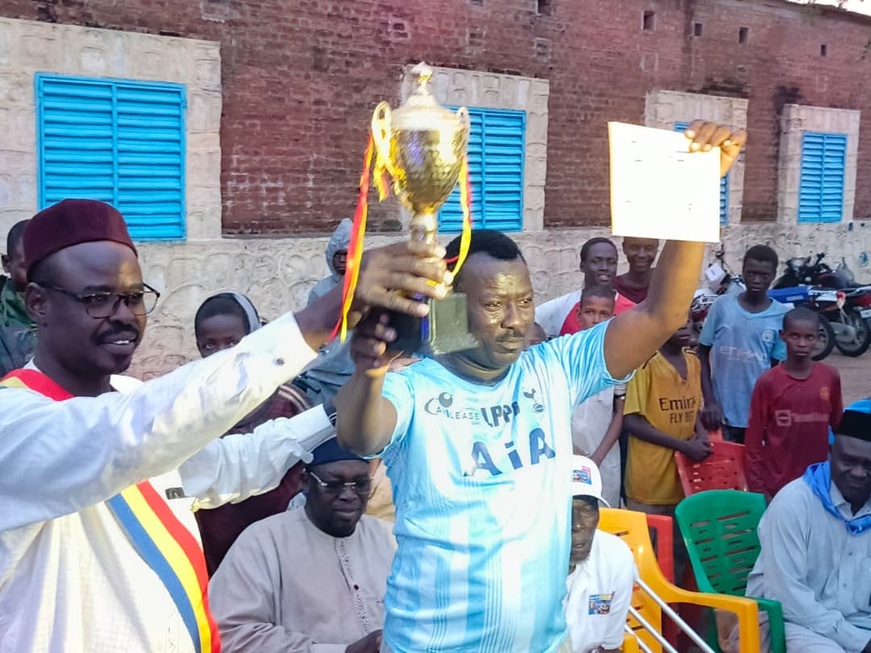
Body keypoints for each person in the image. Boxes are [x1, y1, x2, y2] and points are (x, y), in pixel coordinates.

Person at [334, 115, 744, 653]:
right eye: (495, 305)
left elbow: (662, 313)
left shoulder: (552, 369)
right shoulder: (416, 388)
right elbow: (361, 435)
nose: (514, 320)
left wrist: (695, 192)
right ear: (453, 305)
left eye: (523, 302)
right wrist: (369, 373)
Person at [0, 199, 451, 652]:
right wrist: (323, 316)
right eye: (97, 299)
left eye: (133, 298)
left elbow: (226, 466)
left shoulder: (127, 393)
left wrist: (343, 400)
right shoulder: (15, 420)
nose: (122, 315)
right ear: (38, 302)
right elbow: (136, 431)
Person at [209, 437, 396, 653]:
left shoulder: (389, 538)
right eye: (333, 484)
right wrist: (341, 651)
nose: (348, 495)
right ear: (305, 482)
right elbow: (231, 635)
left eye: (360, 485)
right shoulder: (262, 542)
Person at [193, 292, 312, 574]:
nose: (222, 354)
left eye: (233, 342)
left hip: (280, 534)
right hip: (215, 538)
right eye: (209, 345)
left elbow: (313, 462)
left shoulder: (288, 400)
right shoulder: (191, 406)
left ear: (254, 338)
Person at [744, 401, 871, 653]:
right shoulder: (793, 504)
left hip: (855, 619)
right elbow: (788, 598)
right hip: (788, 620)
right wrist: (862, 643)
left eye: (869, 465)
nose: (858, 473)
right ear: (830, 453)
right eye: (848, 461)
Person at [745, 307, 843, 501]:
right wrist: (758, 488)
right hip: (778, 482)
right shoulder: (768, 382)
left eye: (809, 337)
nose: (802, 344)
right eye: (795, 336)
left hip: (818, 480)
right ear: (783, 336)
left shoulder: (829, 377)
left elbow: (839, 427)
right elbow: (754, 439)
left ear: (818, 338)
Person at [623, 314, 712, 519]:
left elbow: (693, 408)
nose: (683, 326)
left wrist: (700, 433)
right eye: (675, 320)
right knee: (650, 543)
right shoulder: (645, 363)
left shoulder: (693, 361)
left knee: (678, 545)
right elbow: (632, 420)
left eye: (687, 320)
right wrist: (683, 446)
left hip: (683, 476)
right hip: (650, 478)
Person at [699, 244, 789, 443]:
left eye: (764, 275)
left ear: (773, 275)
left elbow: (776, 370)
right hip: (720, 413)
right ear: (743, 272)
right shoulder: (722, 306)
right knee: (722, 469)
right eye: (751, 273)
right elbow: (702, 352)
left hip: (757, 416)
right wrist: (710, 401)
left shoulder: (781, 316)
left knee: (752, 470)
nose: (756, 280)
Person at [565, 455, 636, 653]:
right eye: (564, 510)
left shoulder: (616, 557)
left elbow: (610, 647)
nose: (577, 524)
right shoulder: (520, 565)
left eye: (587, 509)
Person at [569, 284, 625, 506]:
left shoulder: (618, 358)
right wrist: (571, 449)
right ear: (578, 314)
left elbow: (620, 412)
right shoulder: (562, 354)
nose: (595, 320)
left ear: (613, 317)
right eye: (590, 312)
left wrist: (597, 458)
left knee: (604, 515)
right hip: (568, 451)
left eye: (603, 314)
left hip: (604, 455)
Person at [535, 237, 636, 338]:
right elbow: (528, 323)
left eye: (611, 262)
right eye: (596, 261)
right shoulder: (563, 307)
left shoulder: (633, 311)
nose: (604, 267)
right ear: (582, 266)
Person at [0, 219, 36, 375]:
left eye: (45, 265)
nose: (38, 275)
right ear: (7, 263)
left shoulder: (68, 303)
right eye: (27, 267)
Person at [308, 218, 352, 306]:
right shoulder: (320, 291)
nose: (342, 260)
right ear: (331, 257)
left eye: (346, 255)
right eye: (338, 256)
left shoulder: (366, 287)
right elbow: (311, 318)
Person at [612, 237, 660, 304]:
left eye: (648, 248)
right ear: (624, 248)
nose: (641, 255)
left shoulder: (665, 285)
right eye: (634, 248)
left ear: (657, 248)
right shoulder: (612, 288)